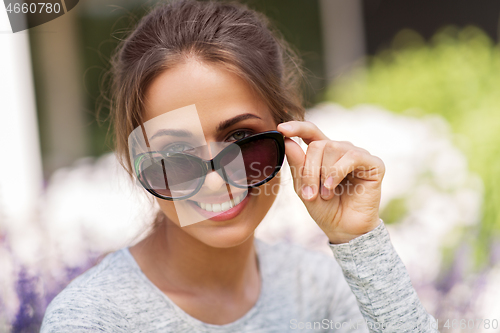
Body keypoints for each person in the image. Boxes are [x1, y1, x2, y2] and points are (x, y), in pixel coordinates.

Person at [40, 0, 440, 332]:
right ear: (135, 161)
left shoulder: (318, 288)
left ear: (288, 128)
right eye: (177, 154)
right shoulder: (92, 319)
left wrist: (361, 241)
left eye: (239, 139)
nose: (216, 181)